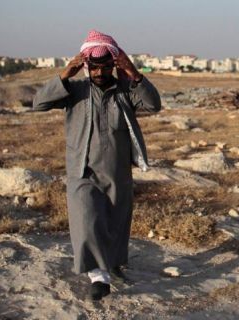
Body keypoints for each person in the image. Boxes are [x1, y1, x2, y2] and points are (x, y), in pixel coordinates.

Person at [33, 30, 161, 301]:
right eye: (94, 66)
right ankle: (98, 275)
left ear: (114, 65)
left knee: (115, 220)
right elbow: (39, 103)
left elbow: (153, 105)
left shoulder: (125, 90)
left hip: (117, 170)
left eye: (105, 66)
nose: (99, 72)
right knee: (87, 217)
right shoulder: (75, 91)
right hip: (82, 170)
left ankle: (112, 265)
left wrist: (134, 73)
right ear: (86, 66)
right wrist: (66, 73)